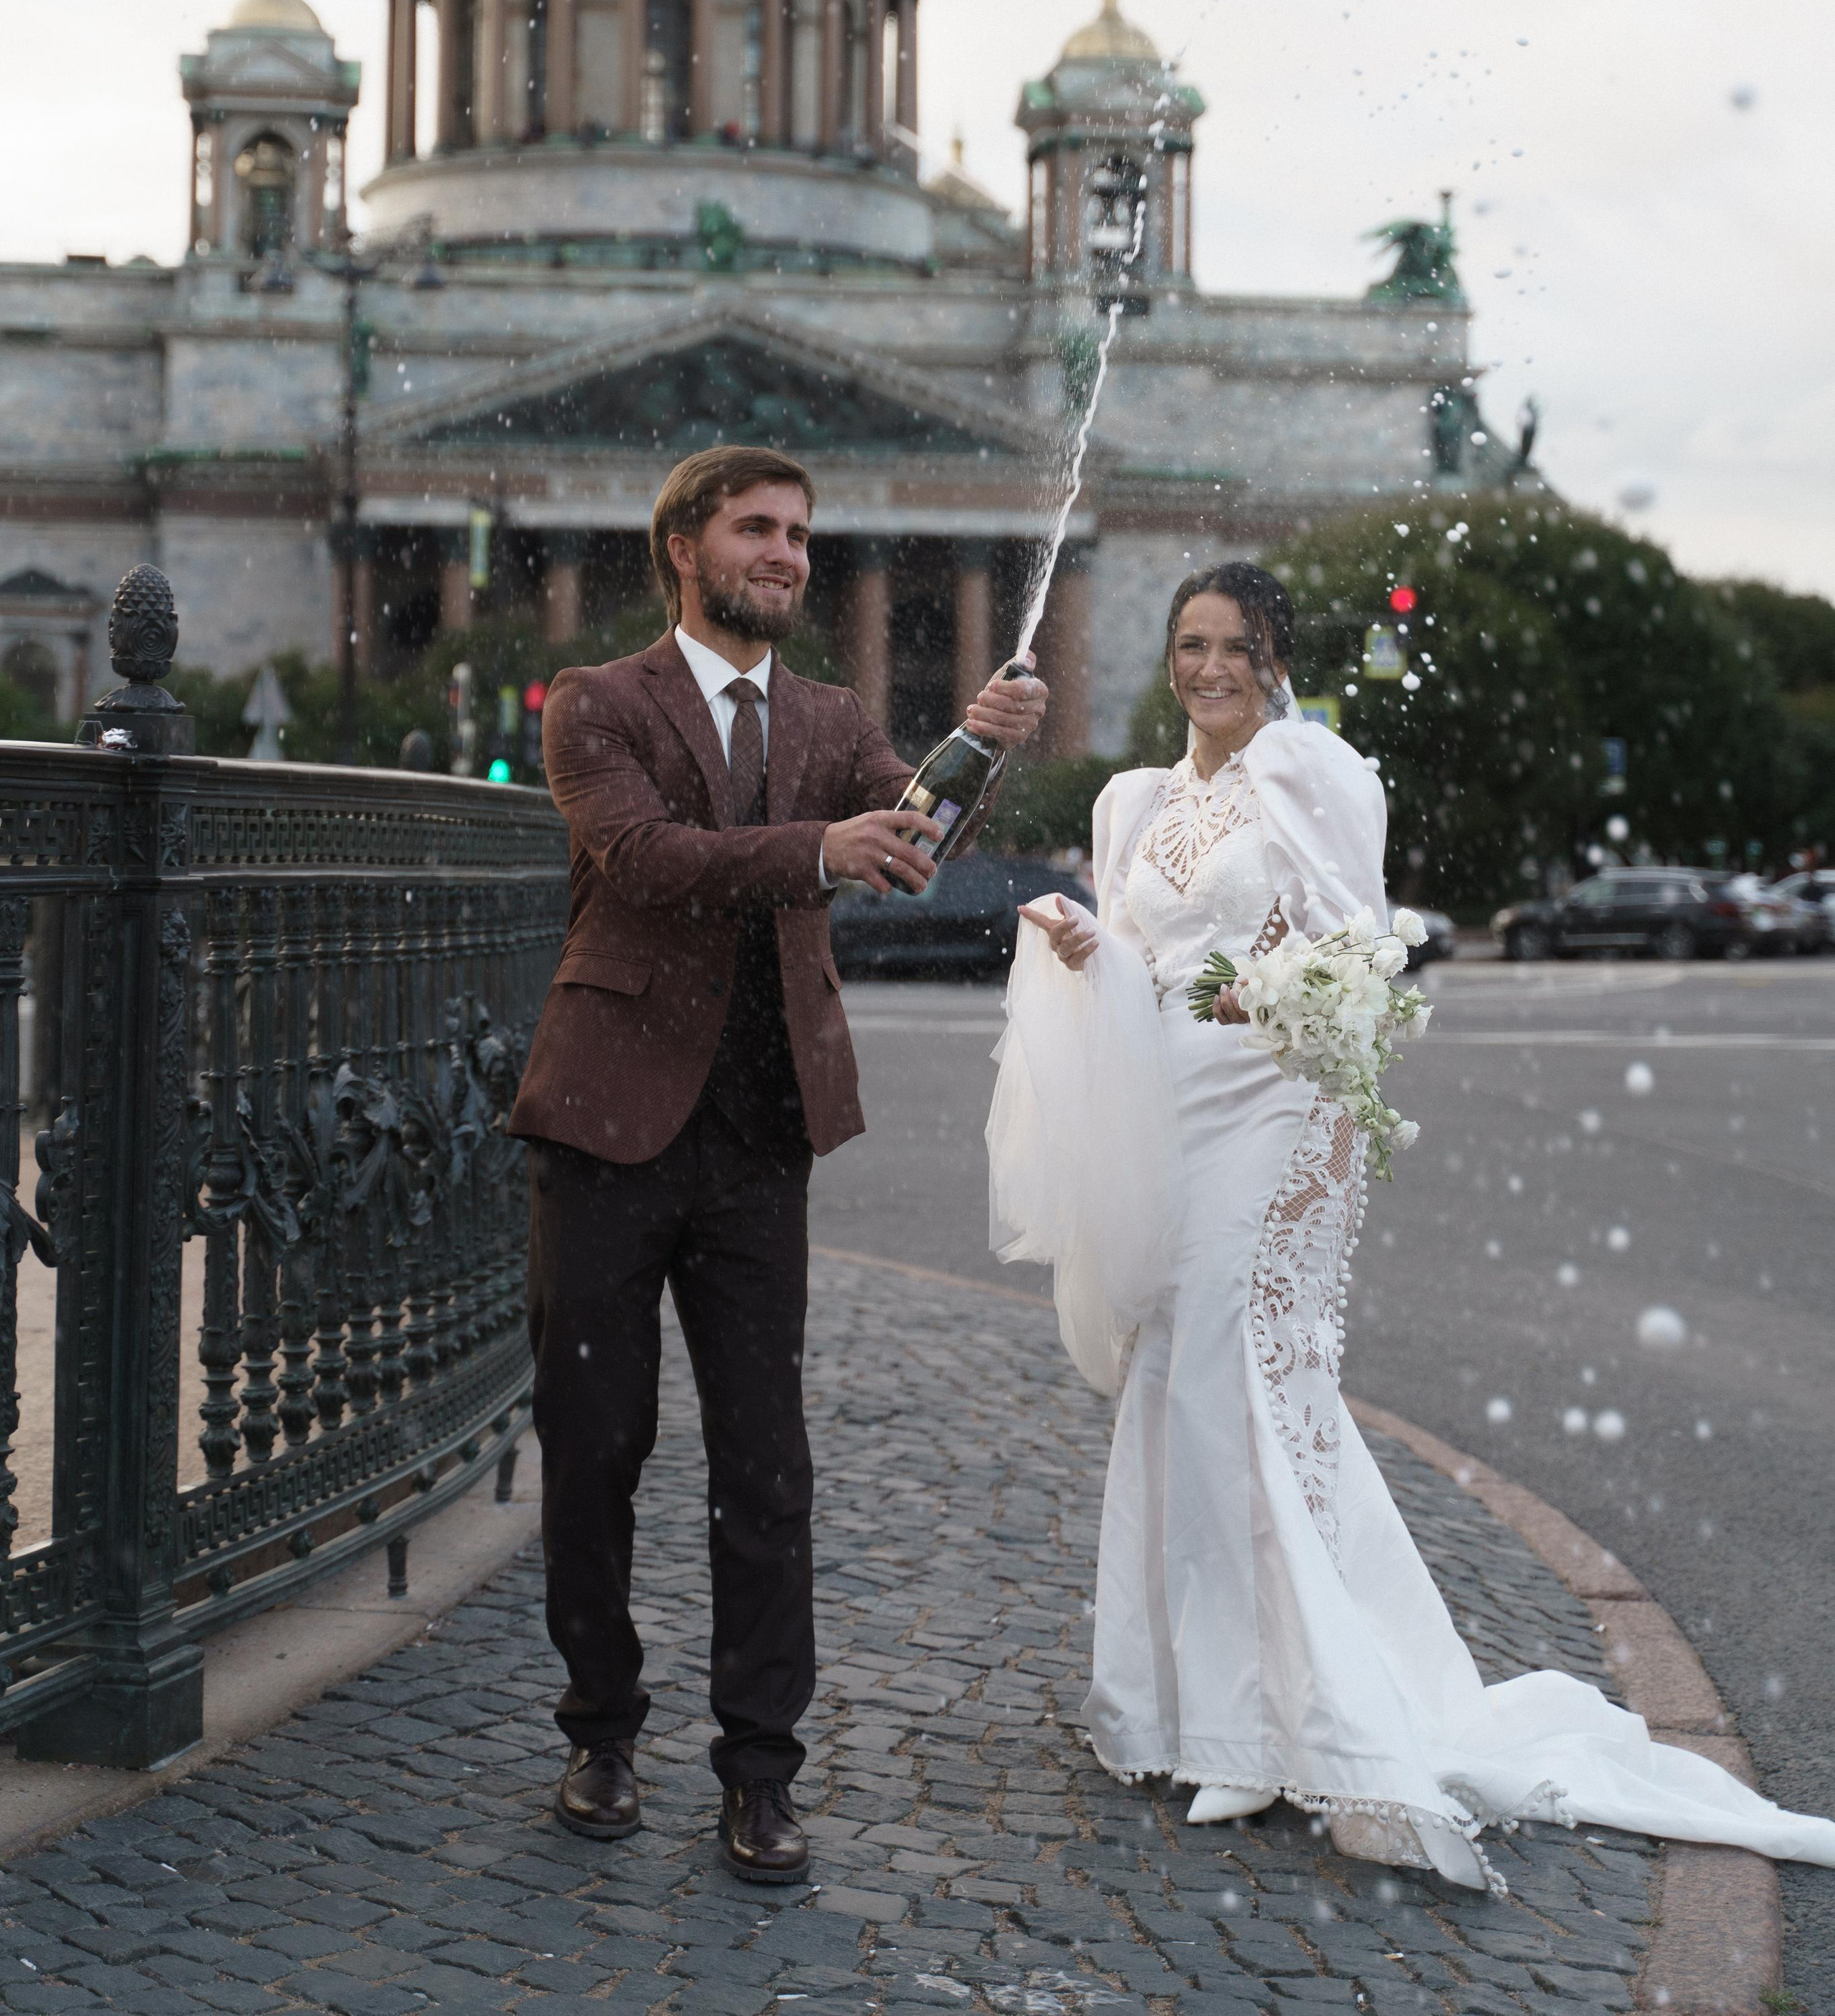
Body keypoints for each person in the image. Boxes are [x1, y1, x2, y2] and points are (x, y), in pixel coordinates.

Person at [994, 560, 1835, 1892]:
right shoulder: (1133, 802)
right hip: (1169, 1122)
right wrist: (1088, 951)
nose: (1210, 667)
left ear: (1278, 658)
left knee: (1236, 1382)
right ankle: (1204, 1705)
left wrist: (1279, 1036)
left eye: (1238, 646)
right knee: (1172, 1384)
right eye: (1191, 645)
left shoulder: (1312, 773)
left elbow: (1353, 956)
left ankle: (1287, 1726)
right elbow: (1148, 965)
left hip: (1272, 1121)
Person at [510, 446, 1045, 1881]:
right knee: (593, 1451)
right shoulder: (598, 704)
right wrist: (817, 843)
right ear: (682, 544)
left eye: (802, 534)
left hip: (760, 1139)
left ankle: (759, 1769)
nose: (788, 555)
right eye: (758, 528)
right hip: (605, 1126)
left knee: (768, 1466)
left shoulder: (828, 713)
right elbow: (646, 860)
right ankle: (598, 1732)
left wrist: (974, 745)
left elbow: (913, 839)